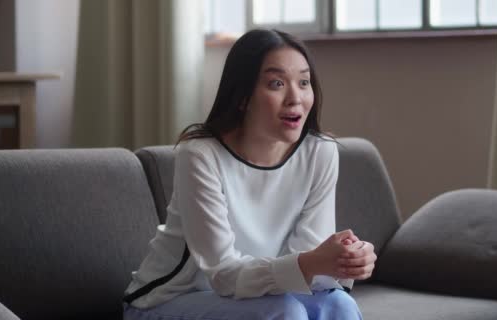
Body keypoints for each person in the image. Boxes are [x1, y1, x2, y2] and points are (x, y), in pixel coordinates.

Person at [123, 29, 377, 320]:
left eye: (304, 82)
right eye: (277, 83)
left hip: (257, 297)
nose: (295, 98)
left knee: (338, 306)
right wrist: (312, 262)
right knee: (285, 312)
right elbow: (223, 274)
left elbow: (302, 260)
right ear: (243, 95)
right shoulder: (201, 156)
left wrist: (342, 260)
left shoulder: (320, 152)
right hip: (169, 300)